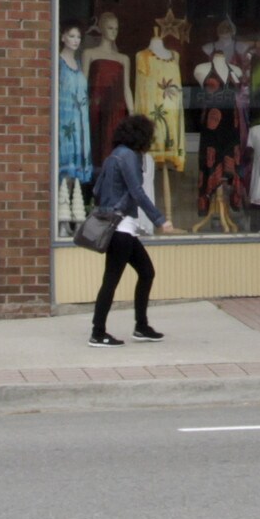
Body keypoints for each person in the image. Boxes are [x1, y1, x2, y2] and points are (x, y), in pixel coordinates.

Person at [89, 114, 179, 347]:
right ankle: (98, 333)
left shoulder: (113, 156)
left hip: (117, 226)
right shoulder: (129, 156)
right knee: (112, 279)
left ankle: (141, 326)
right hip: (122, 227)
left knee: (146, 272)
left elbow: (97, 189)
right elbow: (138, 192)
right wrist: (160, 220)